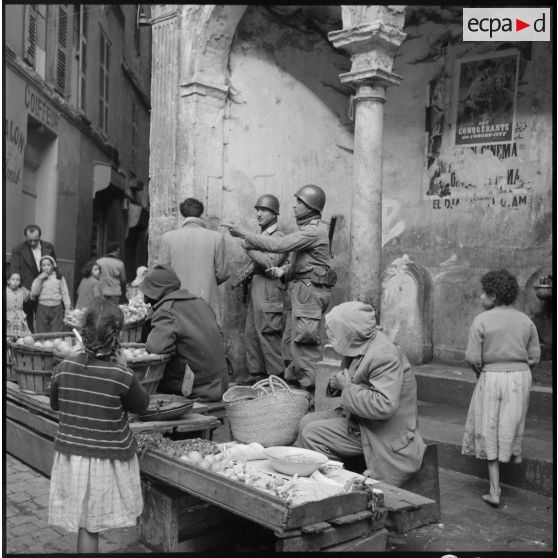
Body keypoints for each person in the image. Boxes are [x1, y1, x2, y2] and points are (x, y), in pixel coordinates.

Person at [48, 299, 149, 553]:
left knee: (87, 525)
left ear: (83, 332)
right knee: (91, 525)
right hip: (105, 457)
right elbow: (142, 405)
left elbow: (55, 404)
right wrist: (124, 367)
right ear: (117, 336)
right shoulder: (121, 375)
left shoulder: (64, 367)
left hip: (73, 456)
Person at [298, 301, 426, 487]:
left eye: (336, 331)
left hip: (383, 433)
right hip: (362, 420)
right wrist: (338, 384)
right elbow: (354, 380)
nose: (331, 336)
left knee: (312, 434)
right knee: (306, 422)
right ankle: (332, 477)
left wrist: (346, 387)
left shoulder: (384, 356)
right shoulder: (360, 343)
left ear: (349, 331)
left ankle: (333, 486)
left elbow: (384, 406)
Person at [224, 184, 336, 390]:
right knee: (291, 344)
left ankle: (311, 394)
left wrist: (242, 233)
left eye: (299, 203)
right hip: (302, 289)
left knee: (305, 345)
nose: (294, 207)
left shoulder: (312, 231)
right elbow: (305, 264)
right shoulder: (307, 231)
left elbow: (277, 247)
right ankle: (295, 391)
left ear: (310, 207)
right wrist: (286, 271)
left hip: (308, 292)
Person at [462, 269, 540, 507]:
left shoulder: (482, 320)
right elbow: (535, 355)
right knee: (510, 421)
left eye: (483, 293)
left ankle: (494, 491)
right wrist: (518, 369)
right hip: (521, 376)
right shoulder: (526, 320)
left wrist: (482, 373)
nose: (480, 297)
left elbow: (473, 357)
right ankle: (512, 454)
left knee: (489, 428)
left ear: (493, 295)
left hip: (493, 375)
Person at [140, 265, 229, 402]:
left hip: (199, 388)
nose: (146, 299)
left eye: (148, 293)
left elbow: (155, 349)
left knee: (150, 384)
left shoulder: (166, 311)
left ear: (156, 292)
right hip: (222, 384)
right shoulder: (200, 303)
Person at [236, 194, 288, 383]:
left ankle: (278, 377)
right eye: (257, 209)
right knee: (251, 334)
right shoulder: (263, 236)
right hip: (257, 286)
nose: (259, 213)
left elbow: (271, 261)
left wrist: (248, 247)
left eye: (264, 210)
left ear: (274, 214)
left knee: (268, 332)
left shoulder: (279, 236)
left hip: (269, 288)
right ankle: (256, 374)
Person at [158, 197, 229, 323]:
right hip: (206, 303)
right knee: (206, 339)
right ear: (201, 214)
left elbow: (162, 276)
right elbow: (222, 273)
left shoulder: (167, 238)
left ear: (182, 214)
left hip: (176, 303)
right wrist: (208, 279)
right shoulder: (216, 238)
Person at [9, 224, 57, 331]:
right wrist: (22, 288)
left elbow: (55, 267)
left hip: (46, 290)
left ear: (40, 236)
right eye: (30, 240)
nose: (33, 243)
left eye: (35, 240)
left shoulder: (49, 247)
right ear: (26, 237)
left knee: (45, 321)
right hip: (27, 290)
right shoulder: (18, 249)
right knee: (28, 321)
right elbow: (15, 270)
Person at [30, 256, 72, 333]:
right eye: (43, 265)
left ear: (53, 266)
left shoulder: (59, 278)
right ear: (40, 267)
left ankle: (55, 343)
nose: (46, 267)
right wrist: (40, 279)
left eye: (49, 265)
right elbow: (34, 292)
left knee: (57, 329)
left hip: (56, 308)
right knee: (41, 329)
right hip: (42, 307)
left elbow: (65, 294)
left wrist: (67, 308)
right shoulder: (39, 278)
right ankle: (42, 344)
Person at [6, 272, 31, 339]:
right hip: (8, 317)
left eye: (17, 280)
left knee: (22, 337)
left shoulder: (22, 291)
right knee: (9, 337)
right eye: (13, 279)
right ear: (8, 281)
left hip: (20, 317)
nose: (15, 282)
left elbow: (30, 295)